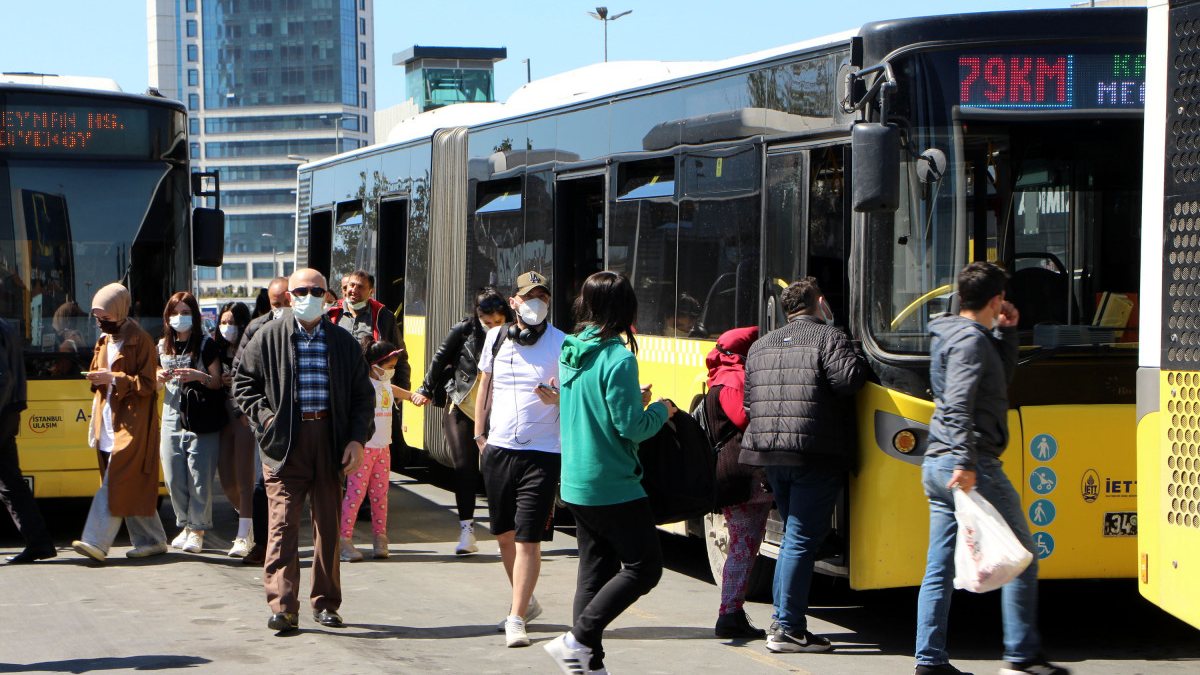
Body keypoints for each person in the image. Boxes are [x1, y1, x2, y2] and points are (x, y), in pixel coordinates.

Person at [915, 262, 1067, 675]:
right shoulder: (969, 343)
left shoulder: (956, 335)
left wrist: (1006, 333)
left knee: (939, 566)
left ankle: (929, 660)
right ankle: (1020, 656)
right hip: (970, 462)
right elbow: (963, 401)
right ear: (996, 299)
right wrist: (966, 462)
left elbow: (994, 382)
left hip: (938, 461)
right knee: (1021, 555)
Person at [545, 270, 675, 675]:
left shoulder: (571, 349)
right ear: (626, 307)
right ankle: (578, 639)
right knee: (644, 567)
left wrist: (633, 403)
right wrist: (660, 410)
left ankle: (587, 663)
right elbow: (631, 428)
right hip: (613, 482)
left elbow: (592, 407)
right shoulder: (618, 357)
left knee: (595, 570)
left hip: (577, 480)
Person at [233, 268, 375, 634]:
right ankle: (283, 607)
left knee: (328, 527)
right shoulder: (268, 337)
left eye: (315, 290)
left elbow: (363, 396)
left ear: (328, 296)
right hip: (284, 444)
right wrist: (265, 420)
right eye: (300, 290)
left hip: (329, 442)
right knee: (282, 526)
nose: (307, 296)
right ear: (289, 295)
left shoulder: (342, 342)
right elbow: (243, 383)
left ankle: (326, 604)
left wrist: (357, 439)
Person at [740, 276, 868, 654]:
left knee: (791, 538)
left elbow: (750, 404)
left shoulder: (760, 346)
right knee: (800, 539)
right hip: (813, 452)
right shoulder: (828, 337)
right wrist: (855, 351)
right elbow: (849, 380)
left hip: (769, 455)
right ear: (820, 303)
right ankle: (788, 628)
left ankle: (783, 624)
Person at [473, 270, 566, 648]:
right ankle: (526, 603)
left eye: (542, 297)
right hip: (497, 449)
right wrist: (480, 435)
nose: (535, 304)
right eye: (529, 297)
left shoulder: (563, 343)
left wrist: (558, 398)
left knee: (529, 538)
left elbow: (573, 394)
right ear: (513, 302)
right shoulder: (495, 338)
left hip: (542, 452)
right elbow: (484, 387)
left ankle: (516, 617)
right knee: (504, 535)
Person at [70, 283, 170, 563]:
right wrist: (97, 377)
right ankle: (152, 540)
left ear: (119, 311)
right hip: (107, 420)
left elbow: (149, 384)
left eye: (105, 316)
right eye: (97, 316)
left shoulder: (141, 340)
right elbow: (97, 371)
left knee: (116, 480)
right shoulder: (103, 340)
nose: (101, 321)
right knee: (130, 482)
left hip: (133, 423)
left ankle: (96, 541)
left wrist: (115, 378)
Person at [411, 287, 513, 556]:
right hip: (462, 403)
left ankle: (505, 529)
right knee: (465, 468)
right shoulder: (464, 329)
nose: (492, 327)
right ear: (477, 315)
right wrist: (425, 389)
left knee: (497, 471)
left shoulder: (515, 332)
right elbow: (439, 358)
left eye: (498, 322)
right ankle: (467, 530)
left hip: (498, 409)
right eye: (486, 322)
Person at [704, 326, 774, 639]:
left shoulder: (717, 377)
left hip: (730, 471)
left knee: (742, 546)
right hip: (742, 474)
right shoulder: (733, 379)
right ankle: (729, 614)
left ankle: (733, 612)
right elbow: (744, 418)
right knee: (743, 548)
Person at [156, 291, 224, 555]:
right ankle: (184, 524)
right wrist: (159, 376)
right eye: (175, 313)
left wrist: (198, 376)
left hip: (201, 417)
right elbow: (154, 377)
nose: (180, 318)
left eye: (185, 313)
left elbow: (217, 381)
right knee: (173, 477)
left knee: (199, 478)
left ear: (194, 316)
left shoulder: (206, 344)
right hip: (171, 415)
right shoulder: (162, 346)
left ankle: (197, 529)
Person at [234, 276, 290, 565]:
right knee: (262, 486)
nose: (281, 308)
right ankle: (261, 545)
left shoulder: (314, 329)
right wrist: (251, 412)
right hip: (268, 424)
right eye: (275, 304)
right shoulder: (257, 329)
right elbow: (239, 373)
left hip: (303, 422)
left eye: (286, 302)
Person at [339, 340, 408, 562]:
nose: (391, 371)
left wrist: (411, 396)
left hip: (382, 448)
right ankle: (344, 540)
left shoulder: (383, 383)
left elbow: (392, 389)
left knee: (380, 496)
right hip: (365, 449)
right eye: (388, 367)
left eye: (393, 367)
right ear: (373, 365)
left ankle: (380, 538)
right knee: (355, 494)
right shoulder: (362, 385)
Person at [0, 317, 56, 563]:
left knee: (10, 482)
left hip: (2, 409)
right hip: (9, 409)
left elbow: (3, 377)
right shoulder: (6, 326)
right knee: (10, 482)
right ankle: (39, 542)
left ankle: (39, 541)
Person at [215, 301, 256, 557]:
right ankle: (252, 521)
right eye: (223, 322)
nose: (226, 327)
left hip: (244, 417)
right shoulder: (216, 348)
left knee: (244, 478)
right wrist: (217, 380)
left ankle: (244, 534)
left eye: (232, 322)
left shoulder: (251, 347)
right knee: (227, 479)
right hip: (223, 417)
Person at [327, 269, 411, 390]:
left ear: (371, 291)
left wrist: (402, 389)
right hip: (336, 388)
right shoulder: (330, 313)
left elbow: (400, 355)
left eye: (360, 287)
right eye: (352, 285)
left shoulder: (384, 317)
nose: (354, 290)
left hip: (371, 391)